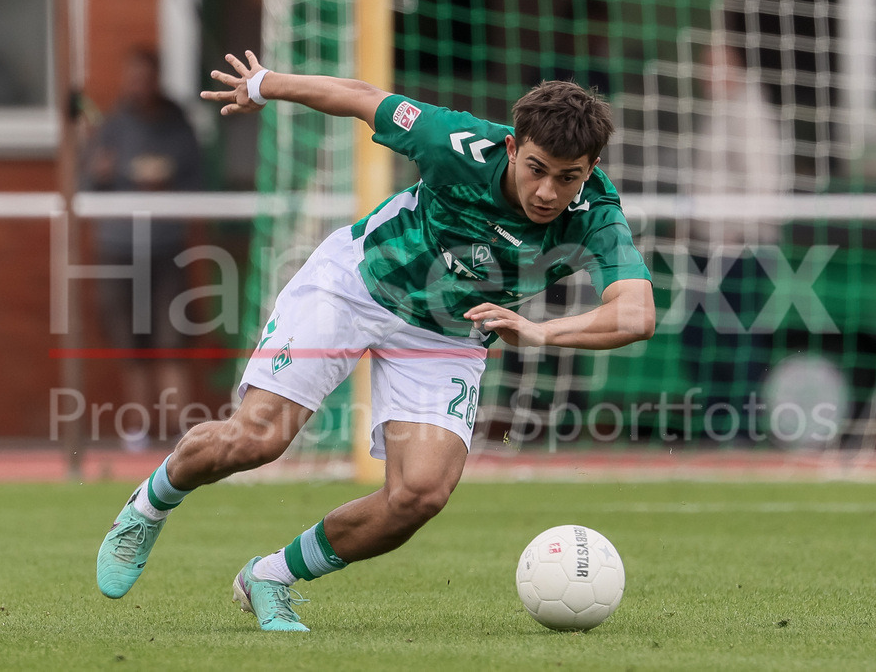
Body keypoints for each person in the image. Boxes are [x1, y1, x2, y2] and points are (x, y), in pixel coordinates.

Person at [96, 50, 654, 632]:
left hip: (446, 332)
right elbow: (363, 98)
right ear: (512, 148)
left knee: (420, 494)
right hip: (355, 286)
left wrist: (541, 331)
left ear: (590, 169)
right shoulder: (456, 144)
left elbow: (636, 313)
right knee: (257, 440)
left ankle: (269, 577)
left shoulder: (595, 214)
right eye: (537, 169)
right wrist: (264, 84)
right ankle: (147, 507)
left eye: (568, 177)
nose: (547, 192)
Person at [82, 48, 204, 450]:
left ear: (157, 79)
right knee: (129, 343)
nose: (139, 85)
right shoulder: (111, 128)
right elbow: (85, 187)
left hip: (168, 248)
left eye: (146, 77)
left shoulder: (178, 127)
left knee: (173, 339)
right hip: (118, 249)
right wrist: (98, 173)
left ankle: (181, 430)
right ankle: (138, 428)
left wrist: (166, 186)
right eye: (132, 77)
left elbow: (199, 184)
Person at [681, 38, 785, 442]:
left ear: (734, 67)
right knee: (700, 338)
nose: (705, 75)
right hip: (707, 246)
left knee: (738, 339)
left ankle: (740, 427)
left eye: (713, 65)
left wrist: (738, 232)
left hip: (738, 249)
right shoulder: (718, 111)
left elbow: (763, 183)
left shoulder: (749, 113)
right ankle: (717, 422)